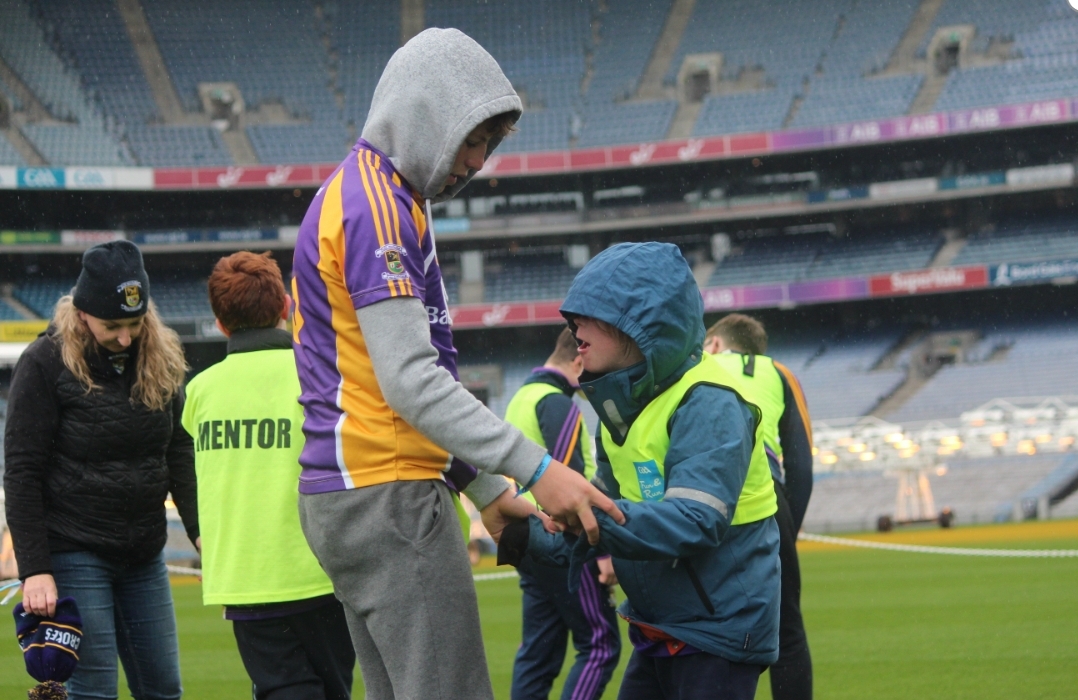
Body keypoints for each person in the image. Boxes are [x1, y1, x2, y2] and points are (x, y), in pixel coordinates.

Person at [289, 28, 622, 700]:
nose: (476, 162)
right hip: (389, 496)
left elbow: (391, 382)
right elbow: (411, 382)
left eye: (489, 147)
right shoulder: (376, 208)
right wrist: (536, 469)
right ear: (425, 114)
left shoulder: (370, 194)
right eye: (472, 139)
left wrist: (486, 492)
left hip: (349, 495)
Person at [498, 242, 781, 700]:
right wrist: (528, 534)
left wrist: (585, 516)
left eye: (590, 315)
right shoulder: (620, 406)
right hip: (660, 627)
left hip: (717, 632)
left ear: (639, 325)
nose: (574, 328)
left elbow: (696, 519)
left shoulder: (710, 399)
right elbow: (605, 506)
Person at [4, 240, 198, 699]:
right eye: (113, 325)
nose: (126, 337)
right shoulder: (43, 361)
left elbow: (179, 451)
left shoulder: (163, 357)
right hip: (76, 550)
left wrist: (199, 530)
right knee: (94, 690)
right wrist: (35, 570)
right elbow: (22, 472)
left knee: (164, 687)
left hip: (145, 552)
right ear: (83, 312)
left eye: (135, 323)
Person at [181, 251, 356, 700]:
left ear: (220, 323)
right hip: (321, 570)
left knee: (283, 690)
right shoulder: (322, 375)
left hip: (247, 576)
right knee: (333, 689)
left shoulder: (200, 391)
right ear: (286, 307)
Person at [504, 328, 621, 700]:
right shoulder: (557, 402)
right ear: (576, 361)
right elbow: (568, 482)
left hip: (527, 537)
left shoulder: (521, 397)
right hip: (563, 540)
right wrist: (602, 551)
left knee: (538, 654)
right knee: (600, 644)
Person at [704, 314, 814, 700]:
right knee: (787, 633)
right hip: (766, 498)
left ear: (715, 343)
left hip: (698, 498)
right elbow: (801, 465)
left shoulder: (693, 366)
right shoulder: (778, 372)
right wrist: (786, 531)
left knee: (700, 631)